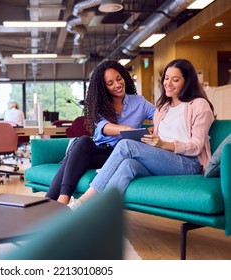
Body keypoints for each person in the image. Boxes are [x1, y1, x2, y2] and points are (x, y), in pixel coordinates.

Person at [68, 58, 215, 210]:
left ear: (187, 81)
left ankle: (83, 201)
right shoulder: (163, 108)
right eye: (166, 78)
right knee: (127, 165)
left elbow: (197, 147)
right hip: (163, 159)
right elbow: (158, 132)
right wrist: (152, 139)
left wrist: (164, 144)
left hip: (189, 163)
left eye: (175, 80)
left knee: (125, 145)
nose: (168, 83)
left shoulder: (199, 105)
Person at [46, 60, 156, 205]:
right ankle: (60, 200)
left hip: (119, 155)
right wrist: (127, 130)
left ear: (124, 77)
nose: (117, 85)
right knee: (84, 140)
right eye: (110, 83)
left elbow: (162, 117)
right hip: (99, 152)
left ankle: (53, 201)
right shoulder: (100, 105)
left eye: (119, 79)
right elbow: (104, 127)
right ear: (103, 87)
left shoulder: (139, 102)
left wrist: (151, 130)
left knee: (72, 159)